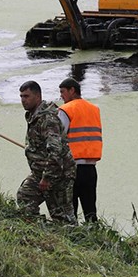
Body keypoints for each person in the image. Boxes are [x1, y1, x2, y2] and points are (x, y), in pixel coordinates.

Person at [16, 80, 76, 224]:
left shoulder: (48, 119)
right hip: (40, 172)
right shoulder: (34, 116)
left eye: (26, 96)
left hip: (58, 174)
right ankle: (39, 230)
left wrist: (47, 178)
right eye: (21, 97)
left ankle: (74, 239)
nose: (23, 100)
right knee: (25, 196)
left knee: (62, 217)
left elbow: (56, 151)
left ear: (37, 97)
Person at [58, 77, 102, 223]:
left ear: (72, 90)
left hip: (72, 167)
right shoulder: (94, 109)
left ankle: (74, 239)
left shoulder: (66, 110)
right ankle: (95, 238)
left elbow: (58, 136)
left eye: (63, 92)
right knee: (90, 209)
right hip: (90, 168)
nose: (61, 96)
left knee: (71, 209)